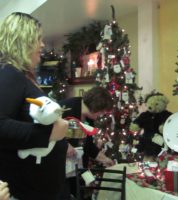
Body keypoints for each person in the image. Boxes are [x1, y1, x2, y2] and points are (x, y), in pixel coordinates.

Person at [0, 12, 69, 200]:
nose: (42, 44)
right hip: (24, 192)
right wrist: (49, 134)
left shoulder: (19, 76)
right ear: (23, 40)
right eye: (38, 39)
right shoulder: (9, 74)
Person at [58, 86, 114, 200]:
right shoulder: (66, 108)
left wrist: (105, 160)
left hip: (74, 170)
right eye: (102, 111)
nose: (102, 114)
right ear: (96, 106)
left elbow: (88, 147)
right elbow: (45, 133)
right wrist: (64, 144)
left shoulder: (89, 119)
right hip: (58, 171)